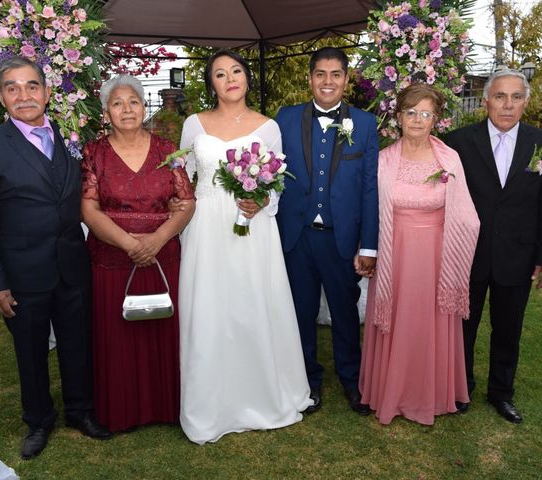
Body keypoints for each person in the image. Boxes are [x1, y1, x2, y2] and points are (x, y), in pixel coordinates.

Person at [0, 56, 111, 460]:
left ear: (47, 92)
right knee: (29, 353)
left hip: (71, 265)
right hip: (22, 273)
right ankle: (39, 421)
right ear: (0, 96)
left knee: (77, 345)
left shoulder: (69, 137)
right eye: (12, 87)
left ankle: (80, 412)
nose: (23, 95)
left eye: (32, 86)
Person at [175, 49, 312, 445]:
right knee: (210, 308)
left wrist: (262, 202)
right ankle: (210, 402)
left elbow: (278, 184)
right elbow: (183, 181)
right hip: (205, 228)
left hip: (252, 228)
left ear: (247, 78)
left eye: (236, 70)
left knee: (252, 305)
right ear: (211, 83)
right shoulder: (193, 125)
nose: (230, 78)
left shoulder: (268, 127)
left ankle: (262, 394)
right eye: (220, 73)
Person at [445, 69, 542, 423]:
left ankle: (501, 393)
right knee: (463, 326)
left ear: (526, 102)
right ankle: (460, 388)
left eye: (515, 97)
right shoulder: (458, 142)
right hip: (469, 254)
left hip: (518, 254)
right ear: (486, 102)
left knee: (508, 328)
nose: (508, 105)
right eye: (500, 96)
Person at [359, 83, 480, 425]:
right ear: (398, 117)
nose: (416, 119)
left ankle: (431, 393)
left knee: (430, 320)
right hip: (394, 251)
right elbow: (371, 210)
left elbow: (465, 212)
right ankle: (390, 391)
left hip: (436, 257)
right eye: (410, 112)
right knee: (396, 320)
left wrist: (456, 248)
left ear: (436, 119)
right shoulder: (383, 160)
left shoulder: (449, 159)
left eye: (425, 113)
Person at [80, 75, 195, 432]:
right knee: (118, 336)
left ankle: (166, 407)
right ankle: (121, 410)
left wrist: (156, 240)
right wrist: (131, 245)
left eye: (133, 102)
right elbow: (89, 209)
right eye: (117, 103)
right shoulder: (94, 152)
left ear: (144, 107)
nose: (126, 109)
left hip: (163, 256)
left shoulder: (167, 149)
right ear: (105, 112)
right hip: (112, 259)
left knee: (161, 329)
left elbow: (188, 202)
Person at [275, 47, 379, 415]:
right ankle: (308, 382)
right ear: (310, 78)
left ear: (346, 80)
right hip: (296, 237)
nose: (328, 81)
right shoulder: (284, 119)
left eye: (336, 74)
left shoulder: (365, 124)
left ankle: (353, 381)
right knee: (299, 312)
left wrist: (369, 245)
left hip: (341, 238)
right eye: (321, 74)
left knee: (345, 313)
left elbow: (370, 187)